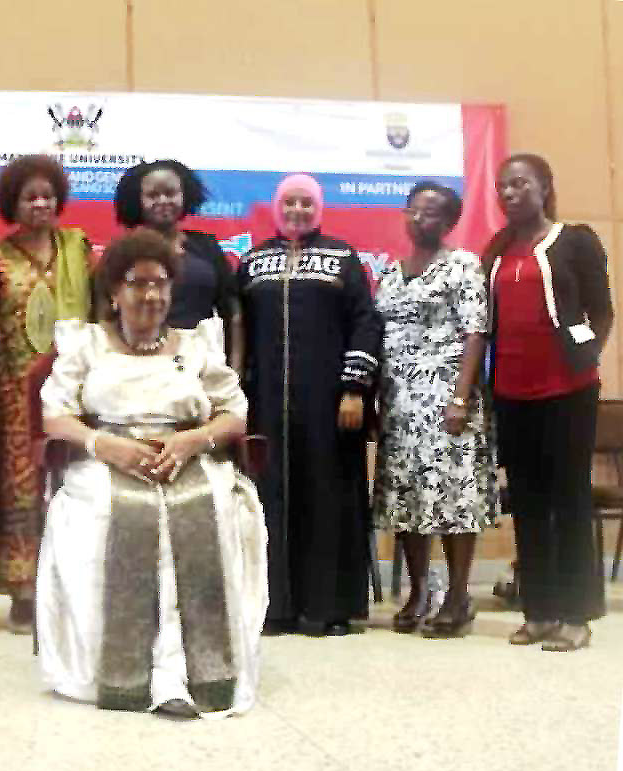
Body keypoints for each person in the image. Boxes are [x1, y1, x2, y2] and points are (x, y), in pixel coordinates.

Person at [36, 228, 267, 719]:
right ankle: (128, 674)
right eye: (137, 284)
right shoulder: (88, 345)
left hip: (187, 456)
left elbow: (234, 414)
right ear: (114, 292)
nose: (151, 295)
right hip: (106, 458)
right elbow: (55, 416)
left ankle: (186, 672)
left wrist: (190, 442)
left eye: (160, 283)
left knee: (208, 511)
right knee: (111, 515)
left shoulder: (197, 344)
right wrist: (106, 445)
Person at [232, 173, 380, 637]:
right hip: (267, 404)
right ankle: (273, 607)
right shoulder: (254, 261)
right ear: (277, 207)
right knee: (268, 498)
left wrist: (354, 388)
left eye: (306, 203)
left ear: (319, 208)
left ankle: (329, 608)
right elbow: (239, 330)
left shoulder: (342, 259)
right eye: (289, 203)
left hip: (330, 405)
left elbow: (365, 322)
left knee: (328, 497)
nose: (297, 210)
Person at [483, 153, 614, 652]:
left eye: (520, 184)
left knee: (570, 501)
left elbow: (601, 311)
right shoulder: (496, 253)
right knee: (530, 504)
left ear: (544, 188)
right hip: (513, 395)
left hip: (568, 392)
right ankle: (538, 611)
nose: (510, 193)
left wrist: (583, 359)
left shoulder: (574, 241)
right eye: (503, 187)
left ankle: (577, 616)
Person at [373, 181, 498, 637]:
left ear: (448, 222)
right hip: (399, 405)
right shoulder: (391, 272)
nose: (419, 220)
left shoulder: (463, 266)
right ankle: (419, 590)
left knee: (453, 498)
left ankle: (460, 595)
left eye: (431, 213)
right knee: (408, 501)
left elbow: (475, 332)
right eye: (414, 211)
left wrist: (461, 397)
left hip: (447, 400)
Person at [0, 154, 94, 633]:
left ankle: (71, 588)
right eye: (30, 197)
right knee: (21, 489)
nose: (40, 204)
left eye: (47, 195)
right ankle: (23, 593)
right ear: (13, 203)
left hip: (72, 387)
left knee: (72, 485)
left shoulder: (78, 248)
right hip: (13, 389)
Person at [114, 159, 240, 351]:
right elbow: (105, 315)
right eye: (153, 195)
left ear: (185, 195)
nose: (163, 201)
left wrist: (234, 373)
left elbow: (232, 314)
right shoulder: (122, 252)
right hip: (138, 363)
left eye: (170, 193)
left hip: (198, 363)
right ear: (137, 200)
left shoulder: (207, 247)